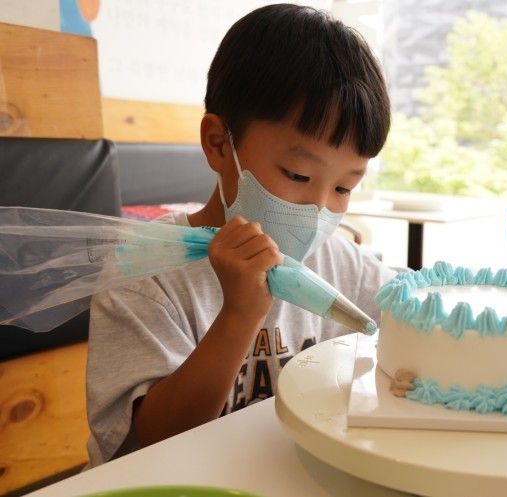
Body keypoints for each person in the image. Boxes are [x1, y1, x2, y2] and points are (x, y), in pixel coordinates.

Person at [85, 4, 393, 466]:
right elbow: (154, 442)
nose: (316, 211)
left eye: (344, 187)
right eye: (297, 173)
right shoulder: (145, 274)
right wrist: (239, 314)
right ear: (218, 143)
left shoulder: (336, 263)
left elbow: (415, 306)